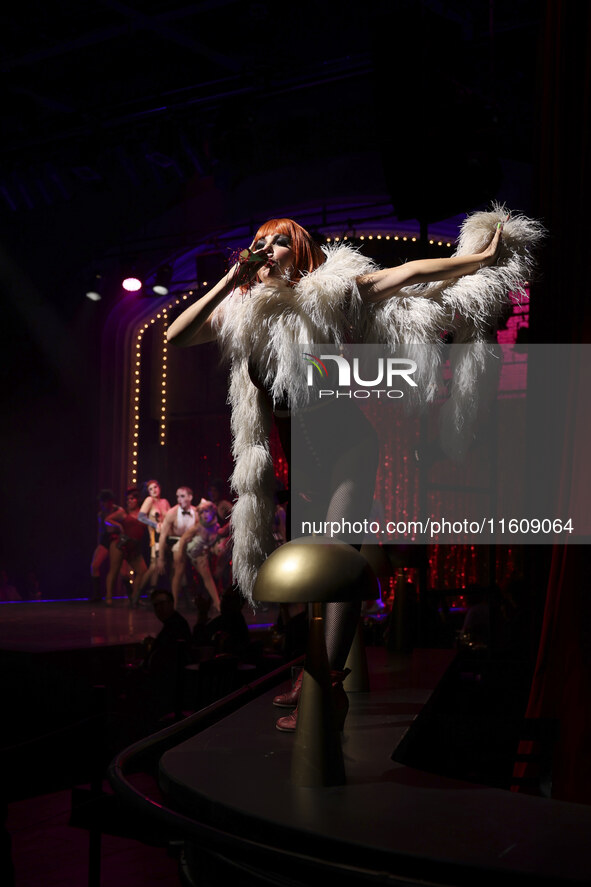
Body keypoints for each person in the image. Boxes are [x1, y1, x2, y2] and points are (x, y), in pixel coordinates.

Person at [167, 208, 543, 731]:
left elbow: (408, 273)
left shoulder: (330, 294)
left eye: (278, 243)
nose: (265, 250)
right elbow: (177, 336)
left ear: (299, 254)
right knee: (310, 572)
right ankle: (312, 663)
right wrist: (231, 279)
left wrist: (474, 259)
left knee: (337, 565)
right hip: (303, 460)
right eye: (259, 242)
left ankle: (326, 683)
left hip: (348, 446)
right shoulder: (242, 311)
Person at [177, 497, 222, 617]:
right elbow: (183, 540)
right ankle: (217, 604)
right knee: (182, 574)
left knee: (211, 574)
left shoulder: (215, 526)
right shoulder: (197, 527)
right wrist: (181, 555)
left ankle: (215, 602)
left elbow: (211, 542)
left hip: (201, 552)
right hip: (188, 551)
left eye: (206, 511)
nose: (204, 514)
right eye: (201, 512)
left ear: (213, 511)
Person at [104, 488, 148, 607]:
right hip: (120, 544)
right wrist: (119, 526)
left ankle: (134, 598)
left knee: (142, 571)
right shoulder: (123, 512)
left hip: (134, 546)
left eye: (131, 499)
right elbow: (107, 520)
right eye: (127, 499)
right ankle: (108, 599)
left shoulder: (143, 514)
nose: (129, 501)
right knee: (114, 571)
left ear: (137, 500)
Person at [156, 486, 198, 607]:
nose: (179, 499)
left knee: (202, 564)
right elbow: (163, 536)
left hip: (191, 543)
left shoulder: (196, 512)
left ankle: (206, 599)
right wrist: (161, 558)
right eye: (177, 496)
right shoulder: (172, 513)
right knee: (179, 564)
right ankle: (175, 602)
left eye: (182, 496)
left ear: (190, 497)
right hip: (174, 542)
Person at [89, 489, 118, 602]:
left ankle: (131, 596)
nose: (102, 504)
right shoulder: (101, 514)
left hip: (116, 539)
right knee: (94, 565)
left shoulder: (118, 510)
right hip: (105, 539)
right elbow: (101, 531)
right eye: (101, 502)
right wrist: (99, 544)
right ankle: (97, 594)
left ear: (110, 501)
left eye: (104, 502)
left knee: (122, 571)